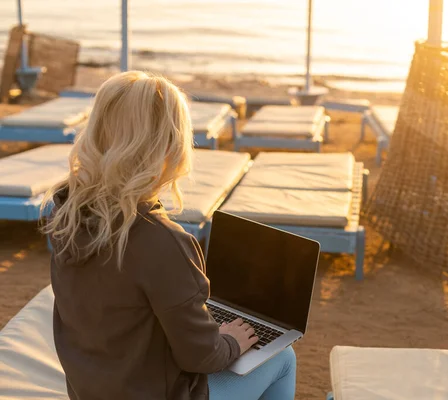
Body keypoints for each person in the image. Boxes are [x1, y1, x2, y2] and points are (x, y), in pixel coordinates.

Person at [42, 71, 296, 400]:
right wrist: (230, 340)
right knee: (283, 358)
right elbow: (202, 357)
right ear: (169, 146)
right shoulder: (162, 241)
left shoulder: (65, 214)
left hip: (90, 390)